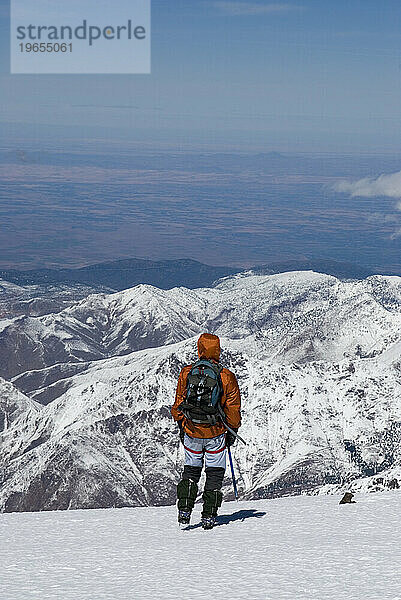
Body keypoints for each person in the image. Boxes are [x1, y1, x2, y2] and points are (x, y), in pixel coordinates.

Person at [171, 333, 241, 529]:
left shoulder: (186, 373)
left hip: (192, 430)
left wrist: (181, 424)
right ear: (217, 350)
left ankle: (184, 510)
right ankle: (209, 516)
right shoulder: (225, 376)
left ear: (199, 349)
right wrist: (232, 431)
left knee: (191, 471)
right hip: (216, 433)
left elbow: (178, 403)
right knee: (214, 474)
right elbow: (233, 409)